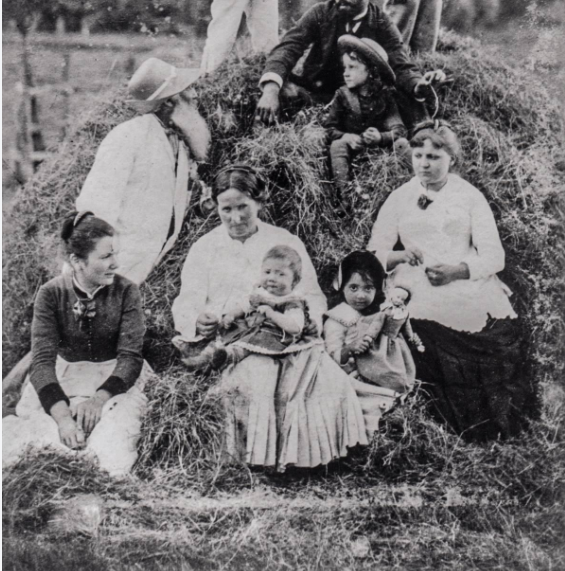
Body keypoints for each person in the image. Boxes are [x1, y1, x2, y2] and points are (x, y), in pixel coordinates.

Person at [171, 165, 367, 470]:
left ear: (260, 203)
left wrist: (308, 320)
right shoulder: (205, 247)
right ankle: (259, 462)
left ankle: (309, 461)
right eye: (227, 209)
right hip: (237, 340)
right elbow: (187, 299)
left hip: (290, 337)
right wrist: (199, 319)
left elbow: (312, 295)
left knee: (327, 381)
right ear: (216, 207)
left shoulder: (285, 242)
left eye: (243, 208)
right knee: (255, 380)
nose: (235, 218)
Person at [368, 120, 533, 441]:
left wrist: (457, 270)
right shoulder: (400, 197)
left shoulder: (469, 196)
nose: (424, 164)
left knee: (482, 329)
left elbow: (494, 257)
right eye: (418, 155)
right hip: (414, 281)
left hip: (463, 279)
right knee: (413, 323)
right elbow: (374, 253)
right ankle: (423, 419)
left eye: (434, 157)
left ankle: (481, 424)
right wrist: (401, 256)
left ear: (451, 159)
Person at [2, 212, 151, 477]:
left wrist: (97, 401)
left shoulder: (127, 291)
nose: (115, 264)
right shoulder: (51, 293)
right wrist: (63, 419)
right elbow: (42, 364)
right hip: (63, 379)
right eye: (105, 257)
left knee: (111, 449)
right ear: (77, 261)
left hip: (114, 381)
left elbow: (130, 358)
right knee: (40, 445)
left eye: (115, 254)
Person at [255, 0, 446, 129]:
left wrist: (417, 84)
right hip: (316, 95)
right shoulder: (321, 12)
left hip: (363, 101)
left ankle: (420, 132)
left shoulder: (382, 22)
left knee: (403, 99)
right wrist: (271, 89)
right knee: (285, 91)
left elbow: (400, 64)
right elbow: (288, 48)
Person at [77, 57, 210, 287]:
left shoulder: (178, 145)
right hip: (108, 270)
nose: (196, 95)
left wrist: (200, 208)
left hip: (139, 271)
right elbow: (96, 207)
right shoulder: (128, 136)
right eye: (188, 89)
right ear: (169, 102)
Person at [192, 245, 322, 371]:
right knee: (226, 332)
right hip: (251, 328)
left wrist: (271, 313)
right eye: (267, 272)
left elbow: (294, 328)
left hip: (272, 335)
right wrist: (231, 315)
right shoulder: (260, 294)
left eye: (280, 274)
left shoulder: (292, 302)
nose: (271, 278)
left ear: (295, 280)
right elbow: (244, 306)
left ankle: (228, 356)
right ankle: (203, 357)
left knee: (247, 346)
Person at [324, 251, 404, 434]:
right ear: (341, 286)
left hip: (378, 368)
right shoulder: (338, 319)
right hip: (351, 373)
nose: (360, 295)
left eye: (368, 288)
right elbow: (331, 356)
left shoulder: (376, 315)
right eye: (353, 288)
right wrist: (349, 348)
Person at [323, 34, 407, 196]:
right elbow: (329, 129)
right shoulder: (343, 95)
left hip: (381, 152)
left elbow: (399, 130)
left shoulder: (385, 97)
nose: (345, 73)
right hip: (353, 150)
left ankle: (421, 186)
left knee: (402, 143)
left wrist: (380, 137)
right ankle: (344, 194)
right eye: (344, 68)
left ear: (371, 70)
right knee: (337, 145)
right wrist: (346, 136)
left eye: (352, 67)